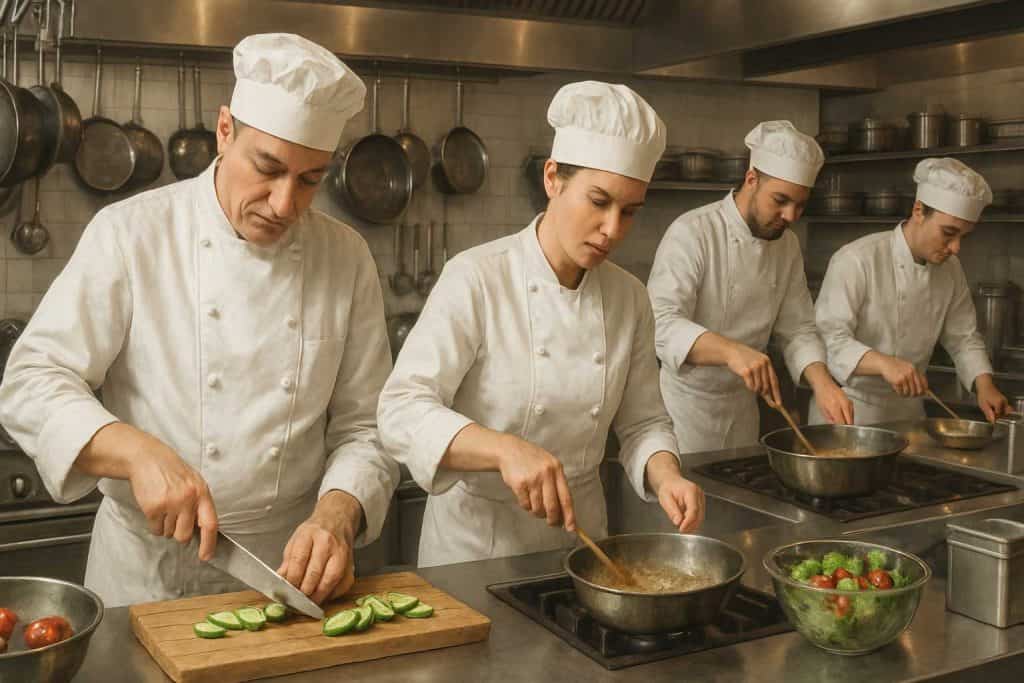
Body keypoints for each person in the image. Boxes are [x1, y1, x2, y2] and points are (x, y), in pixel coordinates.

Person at [0, 33, 399, 606]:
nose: (285, 204)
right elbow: (31, 382)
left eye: (310, 180)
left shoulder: (346, 255)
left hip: (286, 572)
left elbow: (366, 427)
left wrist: (340, 510)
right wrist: (134, 451)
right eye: (268, 168)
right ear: (224, 130)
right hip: (147, 579)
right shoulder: (132, 234)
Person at [377, 81, 704, 568]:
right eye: (599, 201)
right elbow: (400, 410)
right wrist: (503, 450)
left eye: (630, 211)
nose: (613, 229)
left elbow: (643, 423)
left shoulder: (628, 297)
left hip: (582, 546)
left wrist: (666, 475)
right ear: (553, 178)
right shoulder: (477, 277)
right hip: (474, 552)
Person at [648, 120, 853, 454]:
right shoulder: (694, 232)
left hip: (744, 413)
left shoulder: (786, 246)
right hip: (684, 413)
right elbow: (661, 323)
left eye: (800, 205)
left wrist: (823, 383)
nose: (790, 216)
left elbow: (798, 328)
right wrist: (731, 351)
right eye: (780, 200)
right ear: (751, 179)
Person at [812, 157, 1009, 424]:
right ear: (918, 210)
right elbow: (829, 340)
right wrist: (883, 363)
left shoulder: (951, 270)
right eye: (948, 233)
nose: (955, 248)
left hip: (908, 415)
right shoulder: (857, 259)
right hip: (848, 410)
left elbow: (963, 337)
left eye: (963, 236)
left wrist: (984, 385)